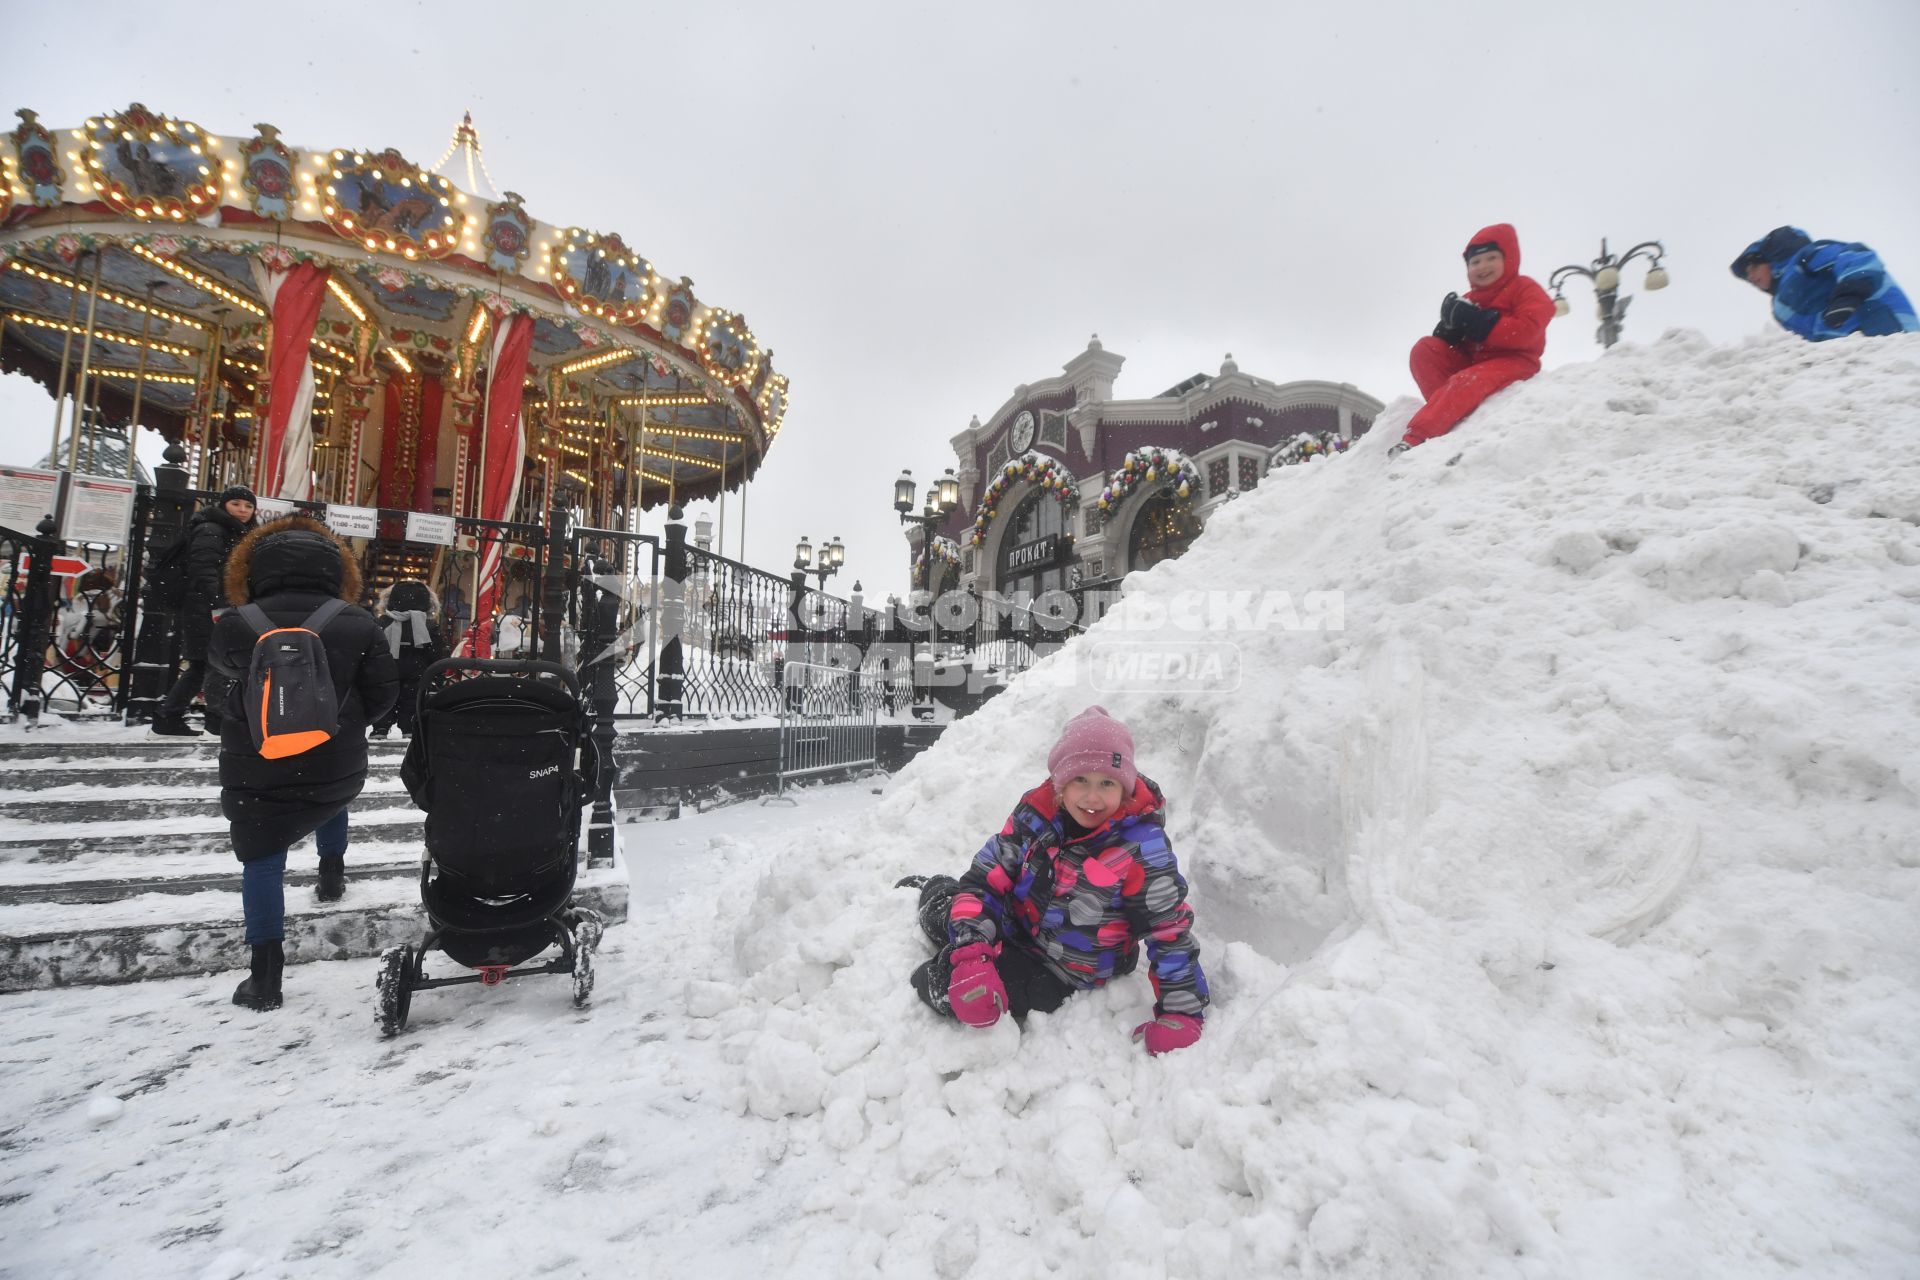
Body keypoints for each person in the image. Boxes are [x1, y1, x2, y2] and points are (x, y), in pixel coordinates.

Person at [903, 706, 1209, 1053]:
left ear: (1124, 789)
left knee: (954, 985)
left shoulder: (1140, 849)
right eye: (1080, 780)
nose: (1092, 796)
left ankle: (953, 959)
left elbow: (1168, 931)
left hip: (1064, 967)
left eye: (1107, 783)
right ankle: (939, 897)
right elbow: (986, 879)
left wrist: (1182, 1013)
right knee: (953, 909)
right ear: (1060, 784)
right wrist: (973, 955)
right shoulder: (1037, 815)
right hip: (1017, 921)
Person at [206, 514, 397, 1011]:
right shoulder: (357, 622)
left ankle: (265, 975)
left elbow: (217, 690)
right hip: (334, 752)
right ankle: (331, 874)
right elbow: (383, 694)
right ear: (336, 570)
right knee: (330, 797)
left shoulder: (235, 622)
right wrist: (343, 719)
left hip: (257, 759)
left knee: (262, 856)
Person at [1394, 223, 1557, 456]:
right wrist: (1449, 332)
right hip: (1475, 365)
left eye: (1491, 258)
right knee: (1424, 350)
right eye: (1475, 262)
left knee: (1466, 381)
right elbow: (1451, 344)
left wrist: (1478, 322)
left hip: (1516, 362)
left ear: (1509, 258)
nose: (1483, 266)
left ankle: (1418, 437)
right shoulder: (1470, 298)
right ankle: (1454, 416)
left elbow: (1528, 330)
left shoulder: (1525, 288)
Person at [153, 485, 256, 735]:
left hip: (209, 605)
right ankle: (216, 719)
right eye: (236, 504)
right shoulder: (213, 529)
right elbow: (204, 569)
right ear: (224, 505)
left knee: (202, 665)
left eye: (248, 506)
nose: (242, 510)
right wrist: (220, 602)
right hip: (207, 607)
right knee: (216, 663)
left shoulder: (235, 531)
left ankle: (169, 715)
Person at [1730, 226, 1918, 342]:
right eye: (1747, 275)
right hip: (1855, 357)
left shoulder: (1804, 258)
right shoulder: (1779, 309)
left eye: (1753, 267)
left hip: (1887, 326)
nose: (1751, 277)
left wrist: (1847, 296)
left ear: (1770, 258)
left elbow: (1857, 257)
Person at [370, 578, 445, 738]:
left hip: (388, 669)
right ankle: (410, 728)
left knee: (385, 696)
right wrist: (438, 676)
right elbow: (437, 653)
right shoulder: (428, 625)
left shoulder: (383, 622)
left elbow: (375, 648)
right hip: (418, 669)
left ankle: (380, 728)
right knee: (413, 698)